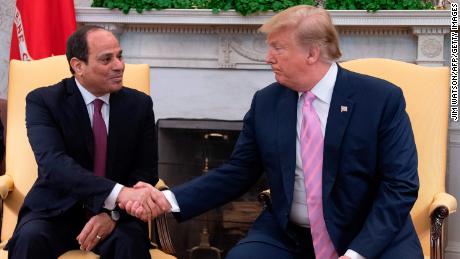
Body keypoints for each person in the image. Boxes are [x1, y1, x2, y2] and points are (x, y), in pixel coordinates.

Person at [129, 5, 423, 259]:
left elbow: (400, 186)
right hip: (289, 235)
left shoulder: (380, 100)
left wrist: (357, 253)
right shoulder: (267, 102)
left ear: (312, 53)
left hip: (368, 233)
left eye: (278, 48)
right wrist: (167, 200)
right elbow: (237, 172)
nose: (268, 57)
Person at [5, 25, 169, 259]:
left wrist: (112, 214)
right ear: (78, 65)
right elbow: (54, 165)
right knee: (29, 240)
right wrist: (119, 193)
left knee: (130, 245)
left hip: (117, 216)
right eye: (106, 59)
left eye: (119, 56)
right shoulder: (44, 101)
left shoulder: (139, 105)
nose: (119, 65)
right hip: (55, 211)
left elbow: (145, 172)